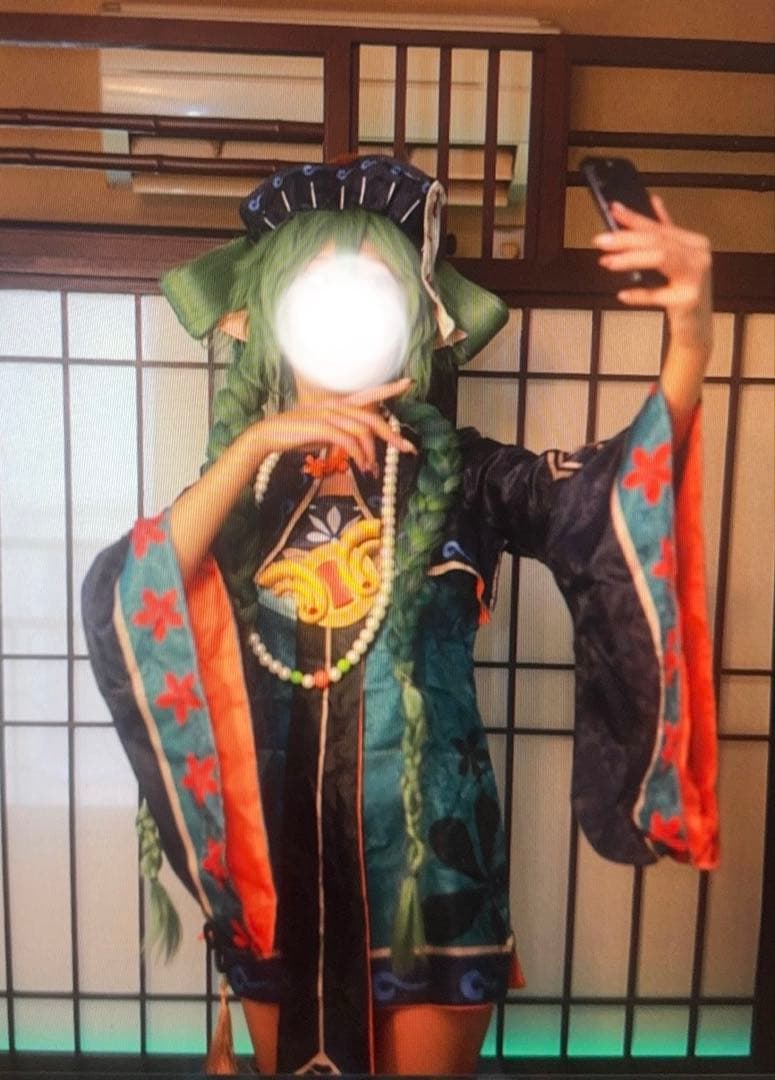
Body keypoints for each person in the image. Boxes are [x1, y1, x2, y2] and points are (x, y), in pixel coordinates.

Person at [82, 156, 719, 1076]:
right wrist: (252, 448)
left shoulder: (468, 477)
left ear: (414, 319)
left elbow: (616, 501)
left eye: (373, 288)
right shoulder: (237, 497)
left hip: (432, 869)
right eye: (317, 289)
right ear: (269, 315)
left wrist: (689, 338)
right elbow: (123, 599)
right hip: (276, 874)